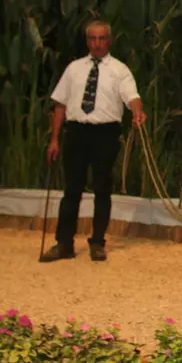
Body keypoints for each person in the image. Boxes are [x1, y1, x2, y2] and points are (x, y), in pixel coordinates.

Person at [41, 20, 147, 262]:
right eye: (92, 38)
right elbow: (60, 105)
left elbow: (133, 97)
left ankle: (97, 242)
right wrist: (55, 139)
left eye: (102, 39)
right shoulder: (74, 68)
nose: (97, 43)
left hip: (105, 134)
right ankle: (64, 244)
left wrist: (137, 112)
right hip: (76, 132)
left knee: (102, 189)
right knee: (72, 191)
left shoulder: (120, 70)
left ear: (109, 40)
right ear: (87, 41)